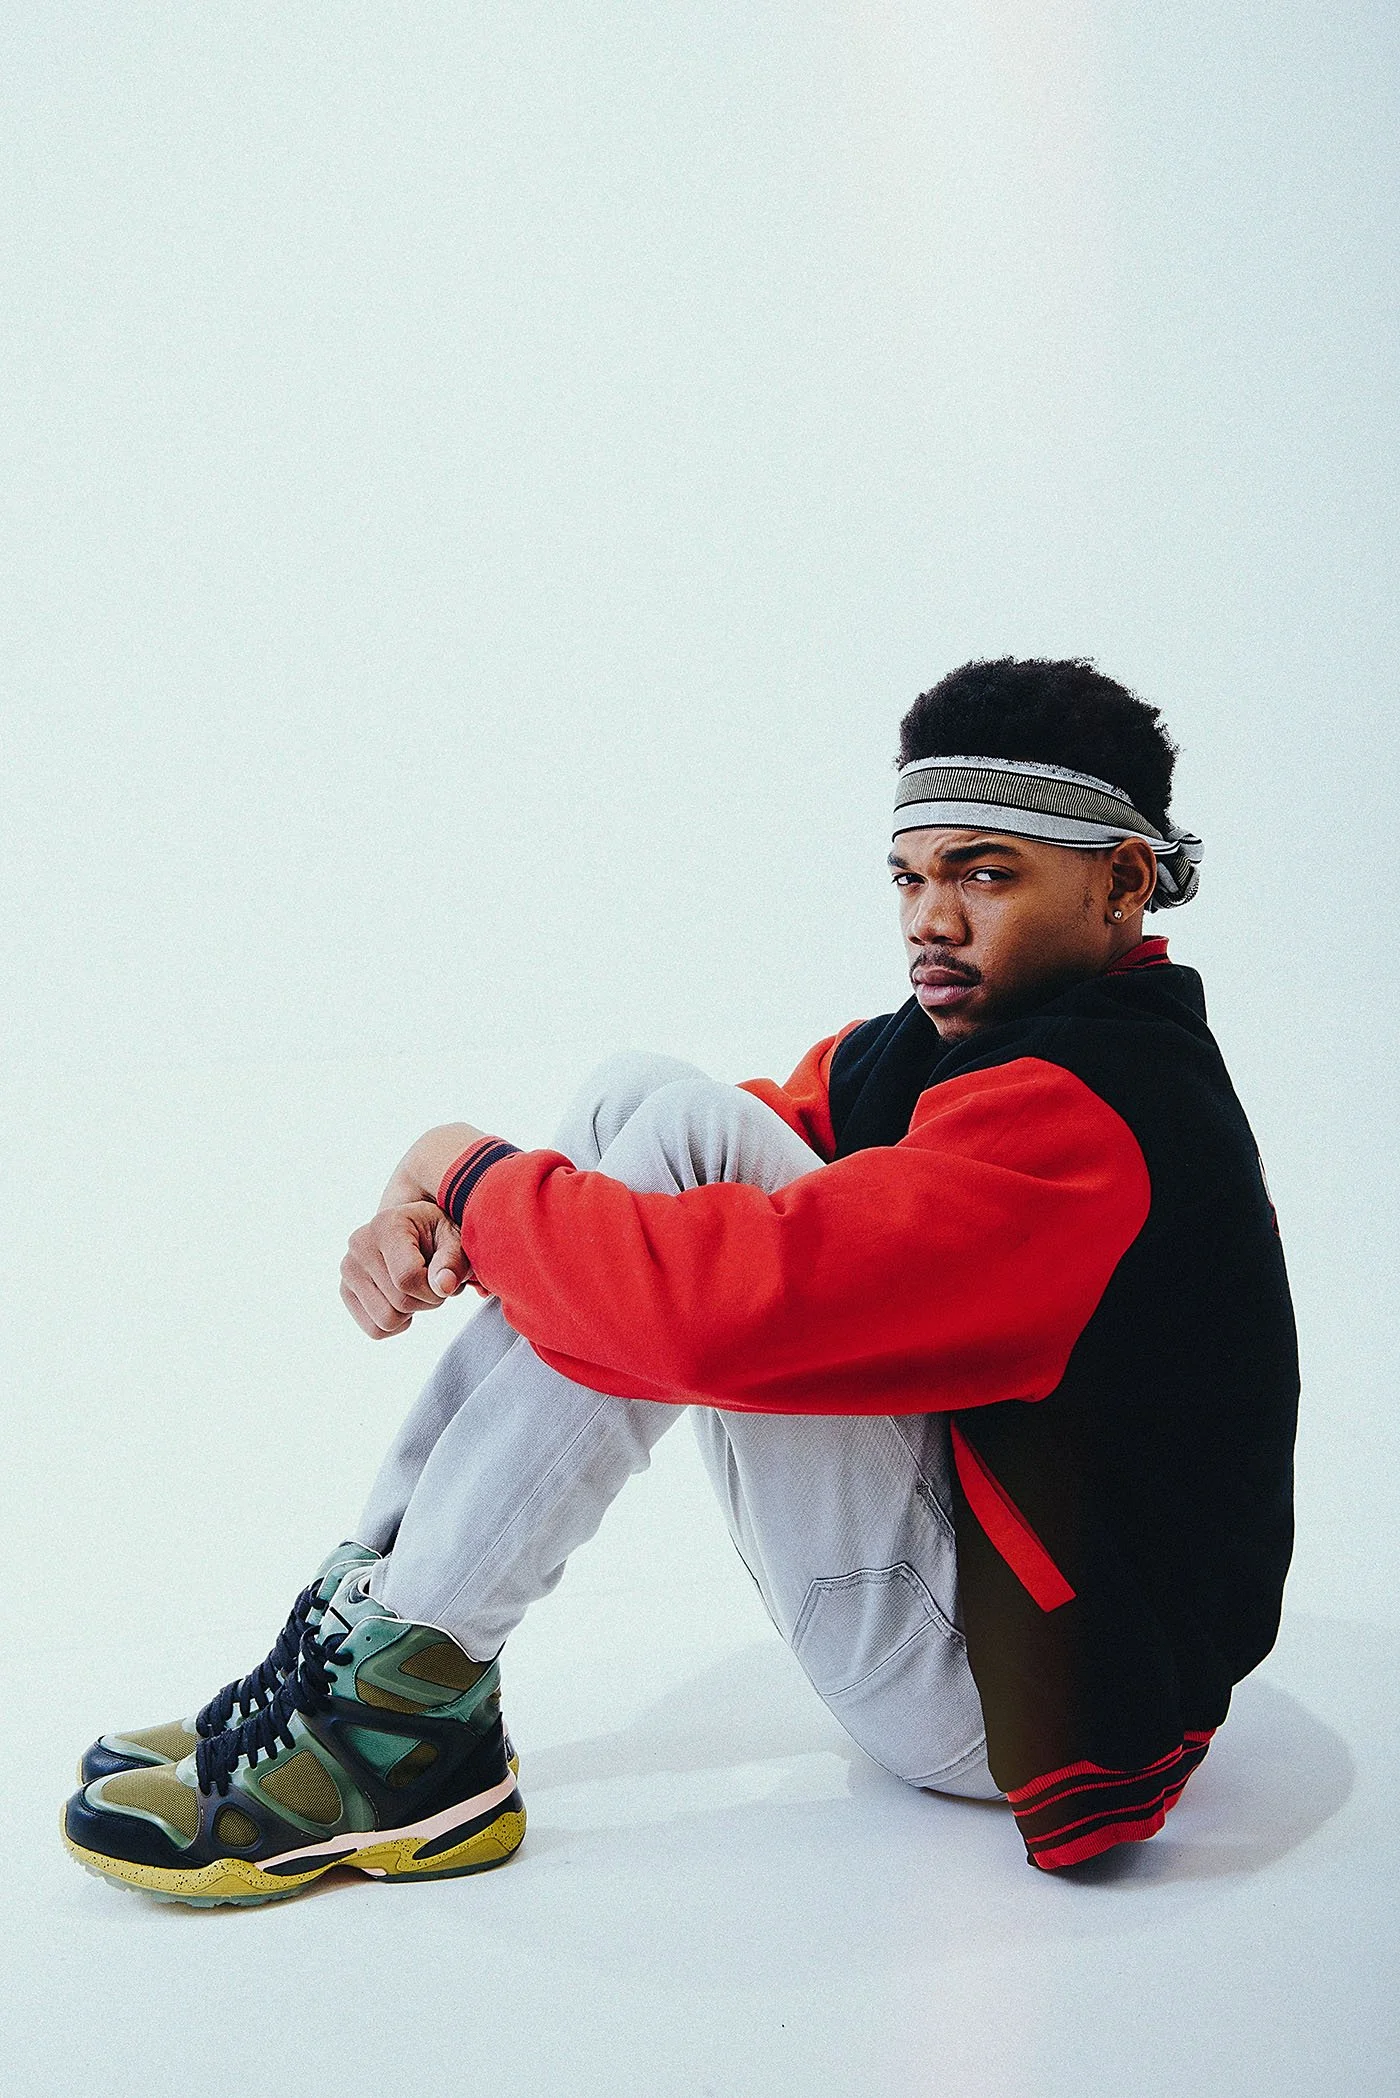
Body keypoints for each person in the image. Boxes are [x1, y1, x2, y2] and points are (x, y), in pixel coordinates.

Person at [62, 656, 1299, 1905]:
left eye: (983, 872)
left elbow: (707, 1315)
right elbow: (687, 1167)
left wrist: (466, 1169)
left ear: (1124, 882)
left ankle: (393, 1715)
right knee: (637, 1099)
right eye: (909, 875)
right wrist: (438, 1201)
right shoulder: (952, 1051)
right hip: (966, 1613)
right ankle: (364, 1648)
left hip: (1021, 1703)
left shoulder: (1101, 1109)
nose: (929, 917)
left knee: (671, 1157)